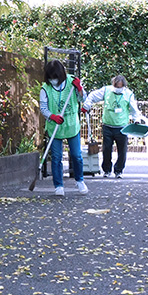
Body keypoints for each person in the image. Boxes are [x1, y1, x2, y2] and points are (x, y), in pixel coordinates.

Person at [39, 60, 88, 196]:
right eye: (51, 78)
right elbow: (43, 108)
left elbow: (82, 99)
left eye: (56, 77)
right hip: (55, 127)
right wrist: (52, 116)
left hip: (72, 125)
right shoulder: (45, 89)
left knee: (76, 156)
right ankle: (58, 186)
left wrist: (80, 89)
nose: (54, 80)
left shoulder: (72, 82)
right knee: (56, 157)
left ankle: (80, 181)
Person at [82, 74, 143, 179]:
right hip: (108, 126)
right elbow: (92, 95)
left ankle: (119, 171)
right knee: (106, 150)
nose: (118, 89)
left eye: (120, 87)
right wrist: (87, 104)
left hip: (122, 127)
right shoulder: (107, 90)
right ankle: (106, 170)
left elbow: (134, 108)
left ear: (124, 86)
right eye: (116, 86)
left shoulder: (128, 94)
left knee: (122, 151)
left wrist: (136, 119)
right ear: (113, 85)